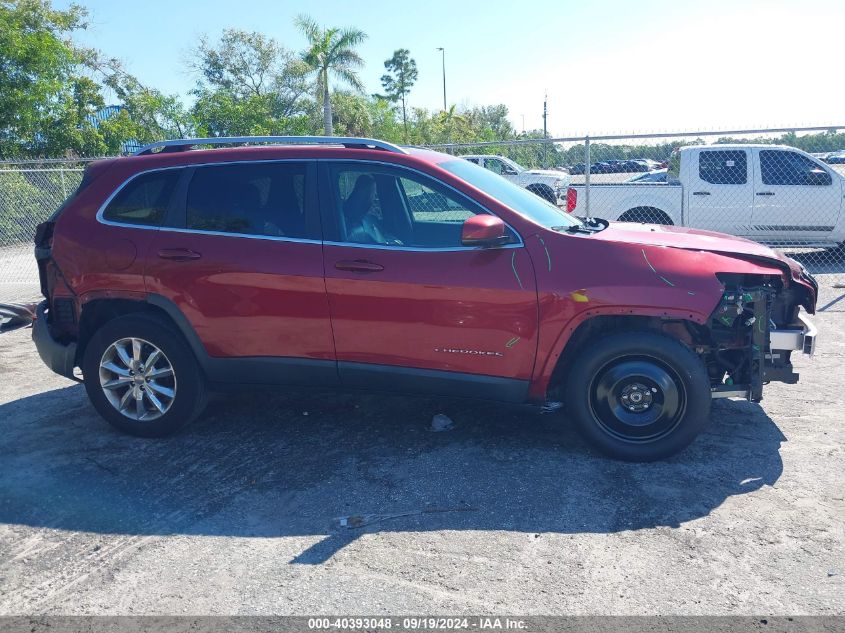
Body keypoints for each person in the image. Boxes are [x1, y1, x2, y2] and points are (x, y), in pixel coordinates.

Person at [343, 175, 401, 245]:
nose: (375, 196)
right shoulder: (356, 231)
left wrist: (395, 242)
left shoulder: (371, 219)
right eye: (373, 192)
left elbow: (387, 236)